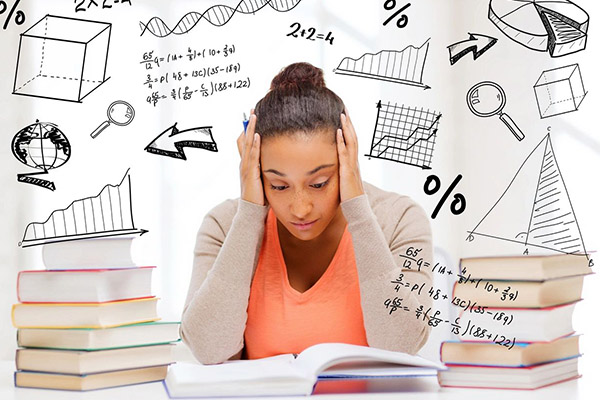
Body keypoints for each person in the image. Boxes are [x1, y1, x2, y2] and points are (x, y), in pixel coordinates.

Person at [181, 62, 433, 365]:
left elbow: (400, 345)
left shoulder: (399, 219)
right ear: (256, 172)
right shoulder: (223, 225)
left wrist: (359, 211)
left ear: (347, 158)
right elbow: (209, 350)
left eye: (318, 183)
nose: (300, 209)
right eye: (278, 185)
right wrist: (249, 216)